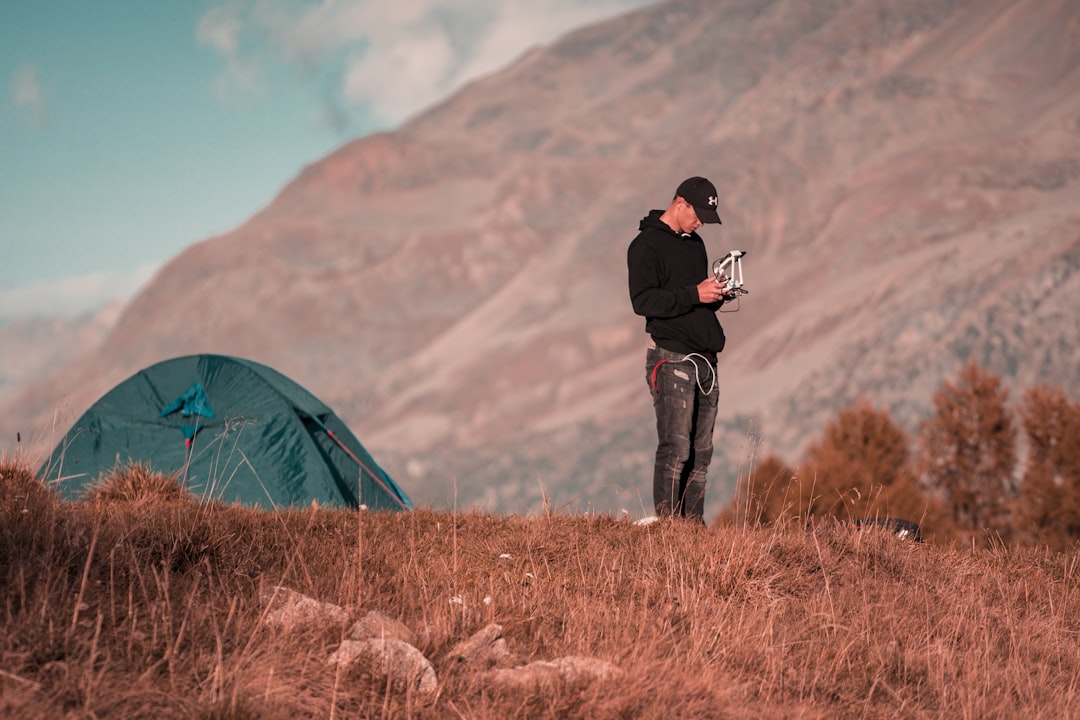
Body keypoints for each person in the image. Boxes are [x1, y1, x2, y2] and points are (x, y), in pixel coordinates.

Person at [626, 176, 733, 523]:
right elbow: (643, 301)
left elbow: (689, 301)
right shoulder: (645, 246)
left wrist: (714, 297)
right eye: (698, 213)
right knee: (676, 448)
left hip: (705, 358)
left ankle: (692, 528)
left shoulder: (695, 244)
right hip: (670, 357)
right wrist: (694, 294)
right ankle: (669, 529)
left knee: (701, 451)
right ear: (680, 203)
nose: (701, 222)